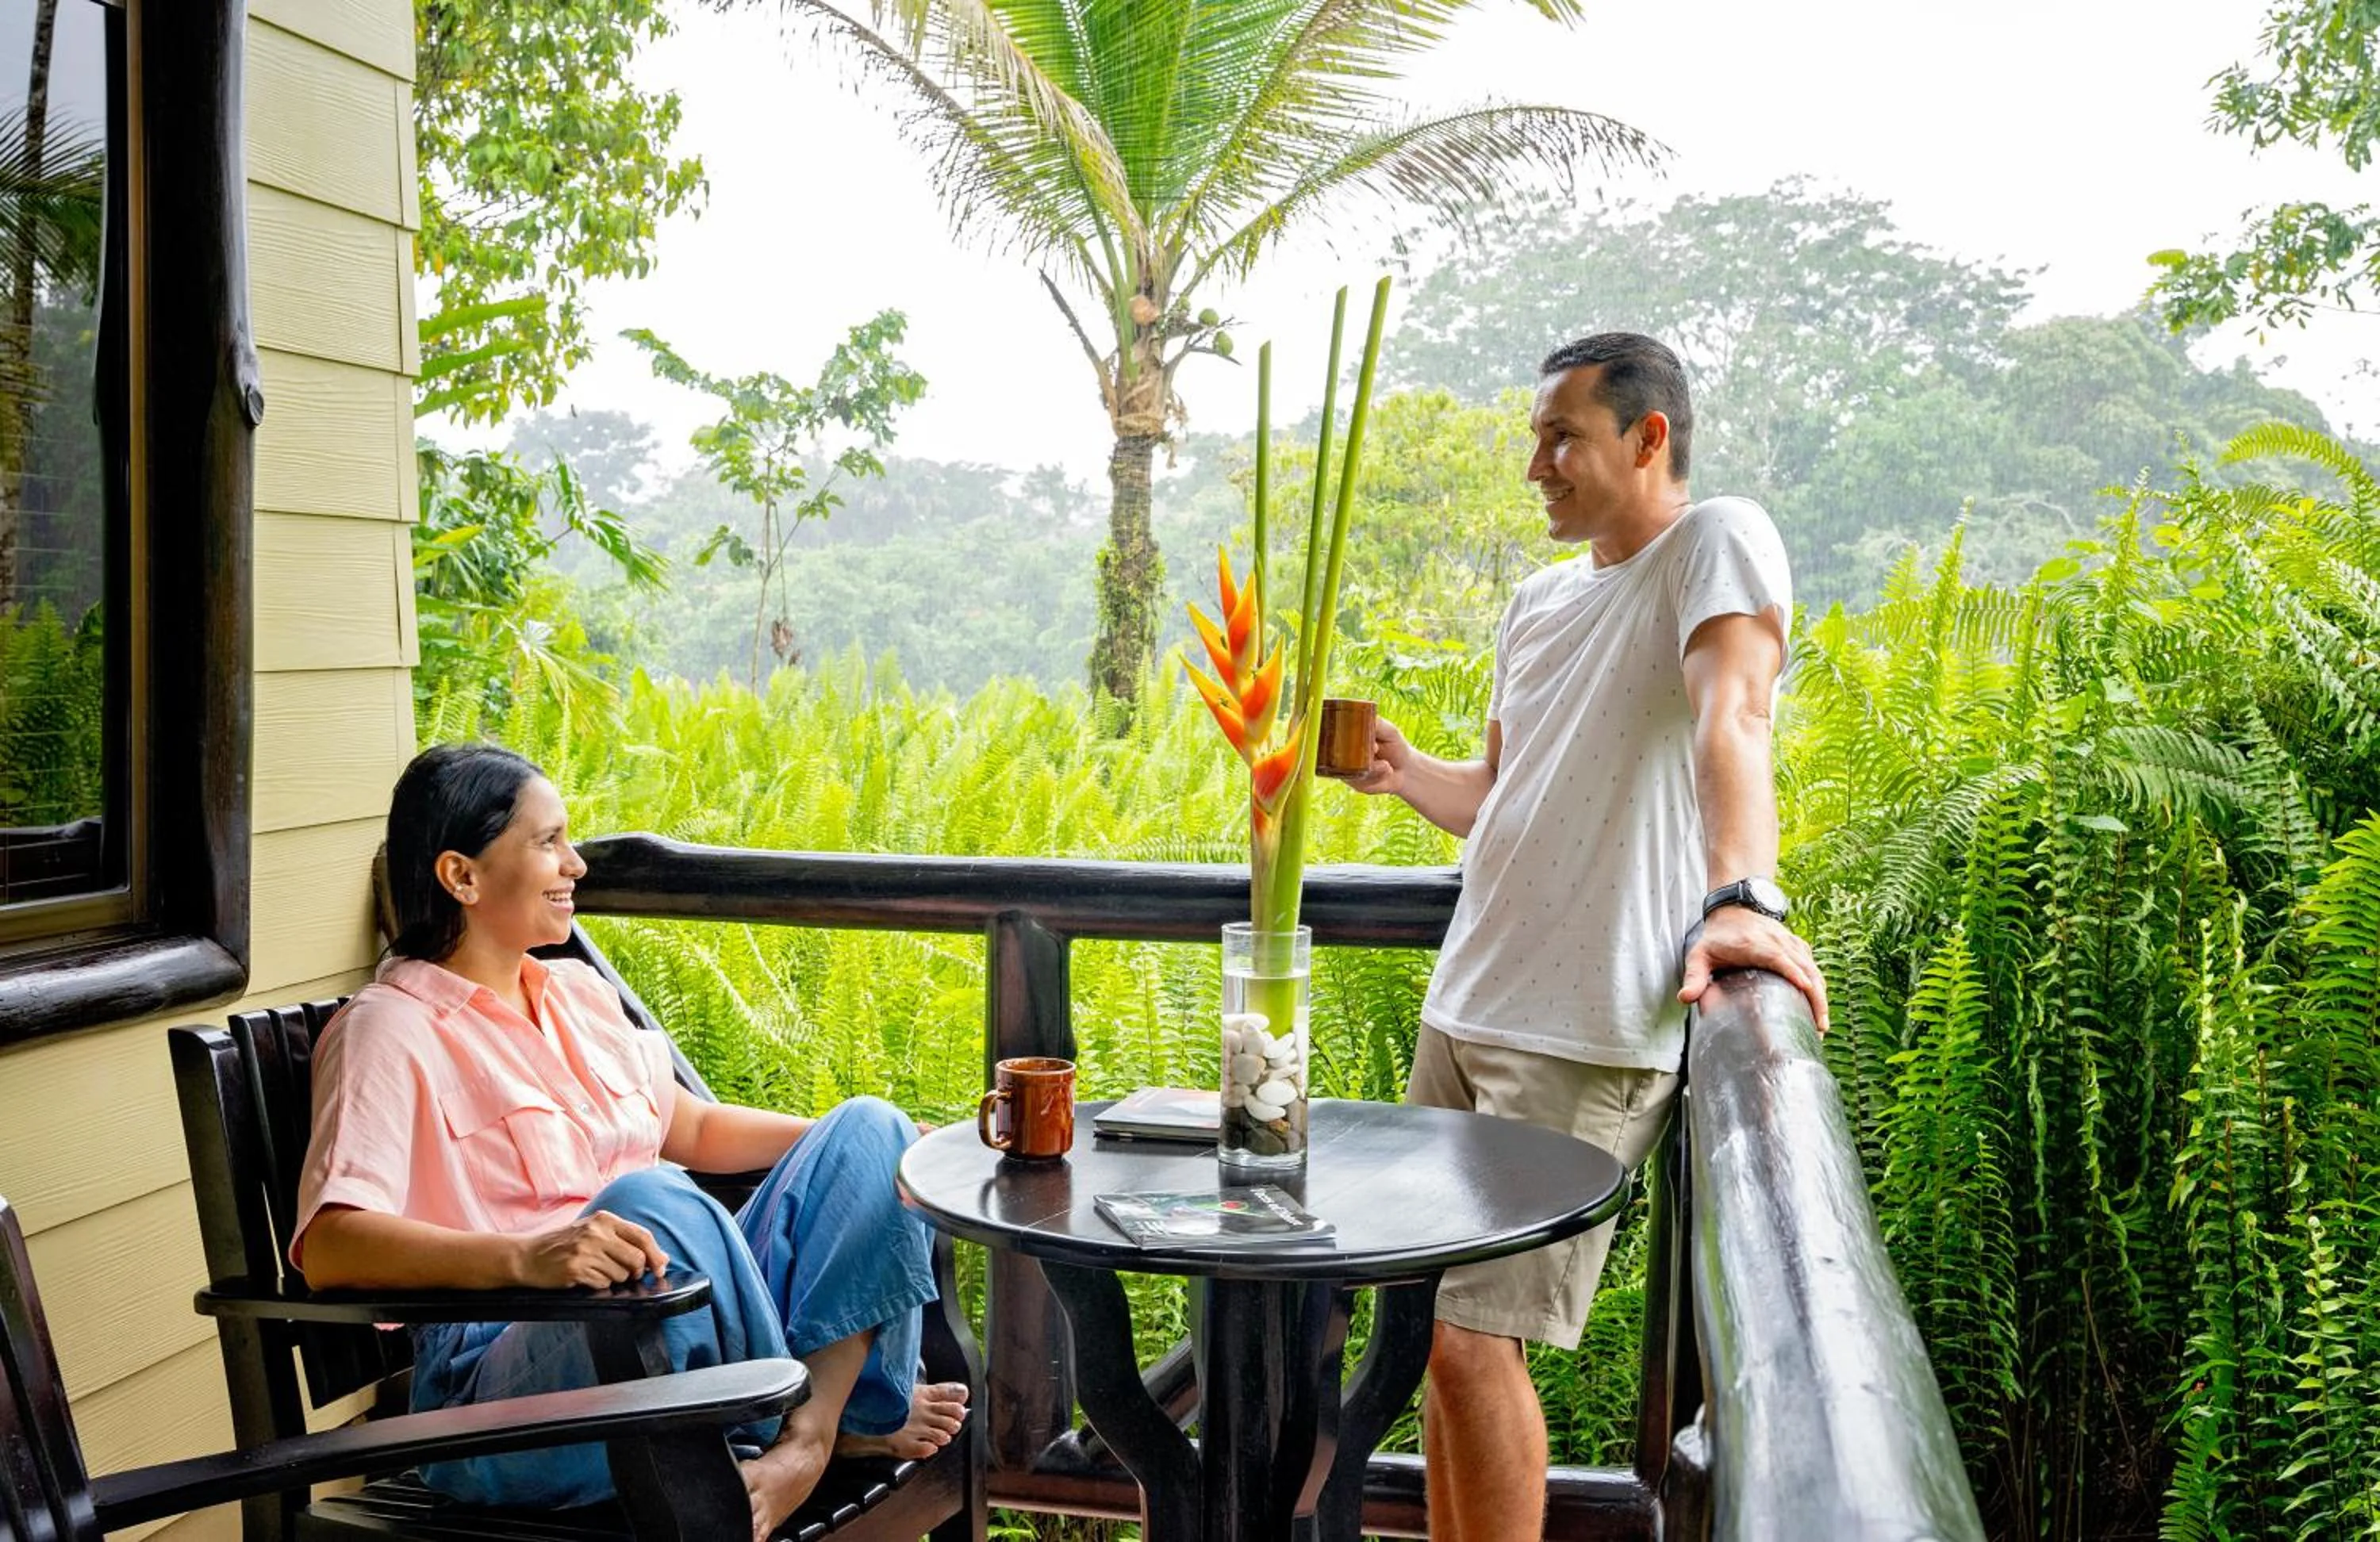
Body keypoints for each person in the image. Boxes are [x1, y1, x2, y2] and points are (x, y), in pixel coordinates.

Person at [1344, 332, 1829, 1540]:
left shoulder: (1713, 540)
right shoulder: (1540, 599)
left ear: (1648, 436)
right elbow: (1500, 799)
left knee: (1471, 1348)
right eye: (1535, 435)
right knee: (1437, 1357)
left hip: (1585, 1029)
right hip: (1467, 1006)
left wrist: (1744, 896)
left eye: (1564, 435)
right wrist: (1411, 775)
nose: (1536, 465)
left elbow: (1737, 720)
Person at [292, 743, 969, 1542]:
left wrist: (875, 1149)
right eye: (547, 842)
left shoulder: (578, 993)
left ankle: (804, 1436)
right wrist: (526, 1257)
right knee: (652, 1200)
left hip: (676, 1340)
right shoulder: (390, 1029)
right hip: (507, 1395)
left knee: (871, 1127)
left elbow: (689, 1126)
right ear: (462, 877)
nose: (575, 863)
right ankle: (816, 1426)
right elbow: (333, 1245)